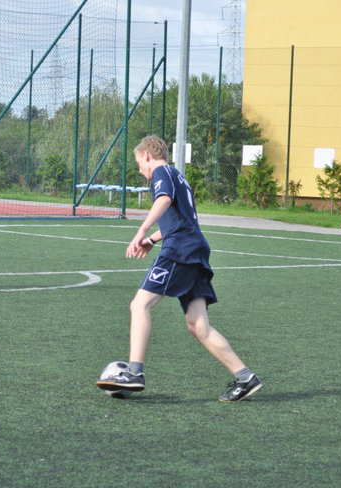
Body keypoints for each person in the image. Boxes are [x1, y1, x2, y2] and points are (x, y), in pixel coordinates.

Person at [96, 136, 262, 402]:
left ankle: (134, 373)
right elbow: (180, 219)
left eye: (139, 163)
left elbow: (163, 201)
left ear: (147, 155)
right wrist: (152, 239)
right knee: (198, 326)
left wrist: (141, 231)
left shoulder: (161, 172)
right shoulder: (178, 177)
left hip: (180, 250)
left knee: (140, 305)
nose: (140, 170)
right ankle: (245, 378)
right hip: (196, 249)